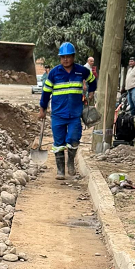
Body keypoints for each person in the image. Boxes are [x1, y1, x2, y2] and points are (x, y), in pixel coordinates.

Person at [40, 42, 91, 179]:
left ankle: (70, 162)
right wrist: (42, 108)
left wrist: (91, 92)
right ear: (60, 58)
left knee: (74, 138)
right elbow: (46, 92)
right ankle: (61, 170)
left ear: (73, 57)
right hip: (58, 113)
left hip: (75, 113)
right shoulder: (54, 73)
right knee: (59, 142)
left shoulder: (81, 71)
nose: (65, 59)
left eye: (68, 57)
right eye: (63, 57)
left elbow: (92, 80)